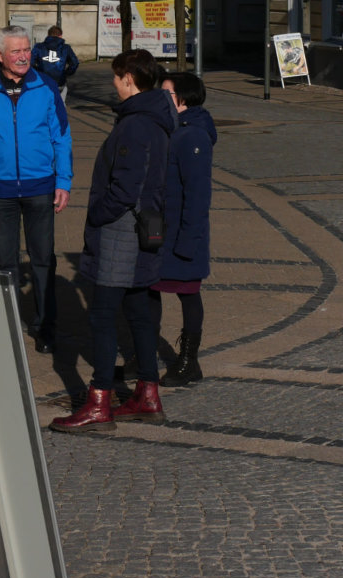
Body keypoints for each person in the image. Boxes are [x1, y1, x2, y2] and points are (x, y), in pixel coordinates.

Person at [49, 49, 175, 433]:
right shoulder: (155, 118)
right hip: (143, 227)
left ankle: (99, 402)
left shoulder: (137, 124)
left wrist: (99, 213)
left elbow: (126, 187)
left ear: (129, 80)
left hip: (122, 230)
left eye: (116, 78)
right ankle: (147, 394)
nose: (113, 84)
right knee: (138, 310)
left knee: (103, 315)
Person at [0, 25, 73, 354]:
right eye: (16, 51)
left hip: (41, 188)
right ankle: (7, 326)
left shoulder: (47, 86)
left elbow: (61, 137)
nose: (24, 56)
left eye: (27, 50)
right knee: (4, 263)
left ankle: (45, 327)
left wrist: (63, 180)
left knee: (42, 260)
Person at [149, 72, 216, 387]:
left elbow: (198, 193)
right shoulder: (173, 128)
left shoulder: (194, 136)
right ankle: (144, 355)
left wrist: (189, 240)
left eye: (166, 93)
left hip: (182, 231)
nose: (161, 98)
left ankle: (189, 361)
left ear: (182, 99)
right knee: (147, 289)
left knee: (188, 293)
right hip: (160, 228)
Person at [31, 25, 79, 103]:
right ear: (60, 36)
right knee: (60, 104)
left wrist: (38, 72)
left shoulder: (38, 47)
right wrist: (66, 73)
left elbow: (30, 62)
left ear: (48, 35)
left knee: (42, 105)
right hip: (59, 82)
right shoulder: (66, 48)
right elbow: (75, 63)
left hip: (43, 82)